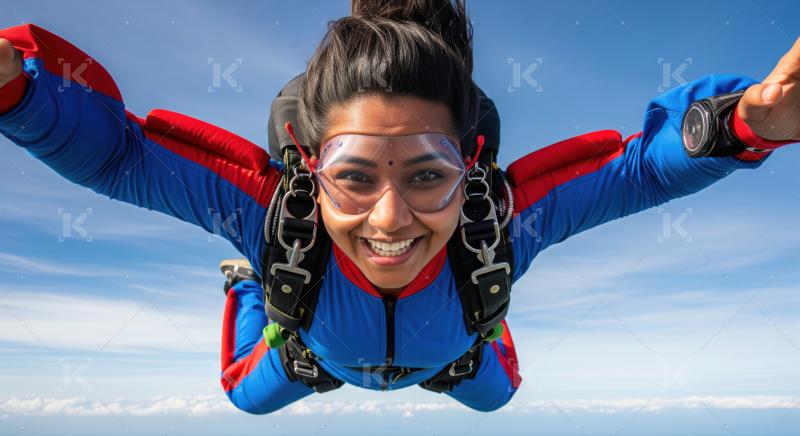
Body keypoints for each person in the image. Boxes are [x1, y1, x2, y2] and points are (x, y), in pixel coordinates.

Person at [0, 0, 798, 415]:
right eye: (353, 177)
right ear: (308, 169)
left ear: (472, 163)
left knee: (499, 397)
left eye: (426, 176)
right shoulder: (271, 209)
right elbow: (119, 155)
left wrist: (738, 123)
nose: (388, 221)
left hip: (450, 354)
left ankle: (474, 313)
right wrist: (21, 92)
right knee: (245, 398)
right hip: (313, 349)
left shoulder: (501, 220)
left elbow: (637, 172)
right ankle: (249, 284)